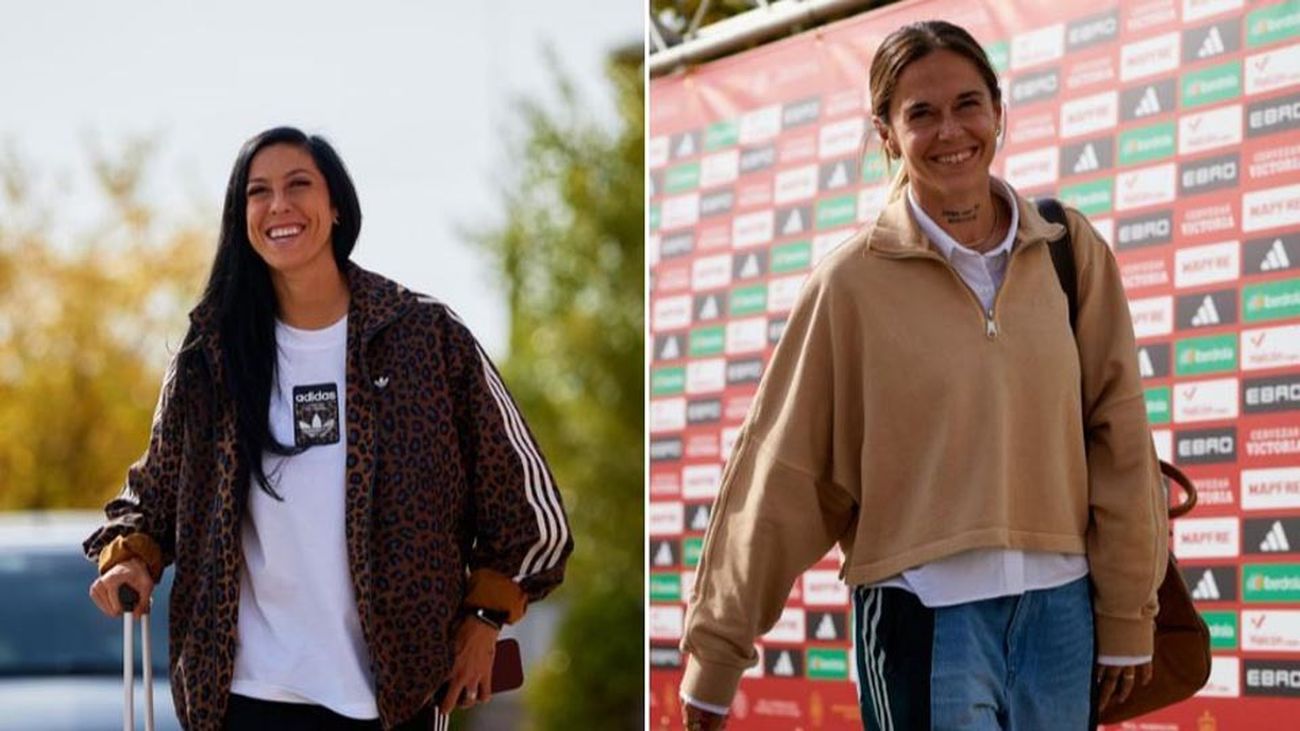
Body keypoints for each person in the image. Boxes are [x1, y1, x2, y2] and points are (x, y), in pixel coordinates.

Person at [679, 20, 1166, 731]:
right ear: (886, 134)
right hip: (922, 615)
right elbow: (781, 473)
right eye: (922, 113)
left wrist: (1126, 612)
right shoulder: (849, 285)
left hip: (1062, 620)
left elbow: (1119, 434)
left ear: (998, 112)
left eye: (968, 104)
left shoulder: (1069, 250)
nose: (951, 131)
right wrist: (717, 653)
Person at [84, 126, 573, 731]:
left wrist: (484, 619)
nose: (279, 206)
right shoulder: (212, 353)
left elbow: (529, 514)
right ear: (241, 218)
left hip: (393, 698)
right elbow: (150, 497)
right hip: (243, 695)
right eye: (258, 192)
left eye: (299, 185)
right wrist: (129, 560)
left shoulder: (424, 339)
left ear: (336, 205)